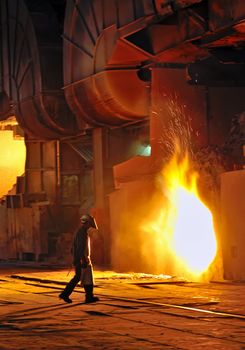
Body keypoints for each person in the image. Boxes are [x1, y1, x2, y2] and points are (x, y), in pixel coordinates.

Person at [59, 214, 100, 304]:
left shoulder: (80, 231)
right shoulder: (82, 233)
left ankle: (88, 296)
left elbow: (74, 248)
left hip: (81, 258)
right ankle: (65, 294)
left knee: (86, 278)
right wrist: (82, 259)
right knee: (80, 277)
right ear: (87, 223)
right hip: (83, 258)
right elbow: (80, 247)